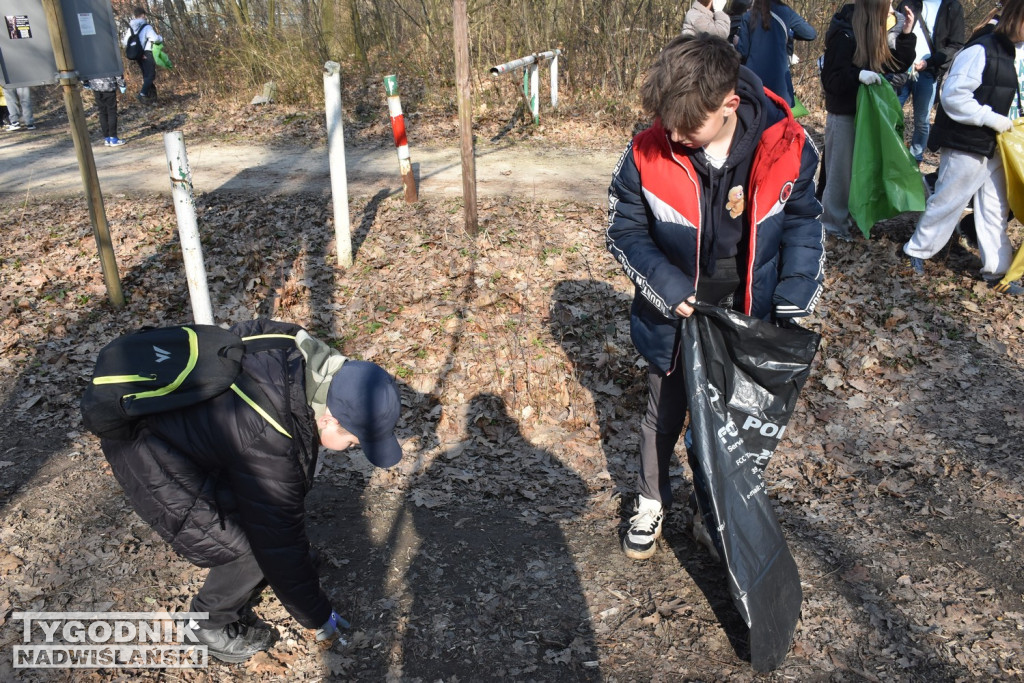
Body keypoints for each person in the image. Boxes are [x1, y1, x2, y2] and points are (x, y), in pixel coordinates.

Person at [606, 34, 825, 561]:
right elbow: (625, 231)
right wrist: (666, 285)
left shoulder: (788, 143)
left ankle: (715, 512)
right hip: (675, 313)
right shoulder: (646, 150)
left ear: (729, 103)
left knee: (727, 423)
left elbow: (803, 222)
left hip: (749, 311)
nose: (675, 135)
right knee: (665, 410)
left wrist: (796, 291)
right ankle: (652, 499)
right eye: (668, 124)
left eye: (687, 125)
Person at [92, 318, 404, 662]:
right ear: (329, 418)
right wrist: (316, 613)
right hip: (148, 451)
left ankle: (272, 573)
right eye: (352, 440)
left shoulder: (298, 353)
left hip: (189, 435)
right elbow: (275, 536)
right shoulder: (270, 434)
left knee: (265, 524)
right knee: (250, 545)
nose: (350, 447)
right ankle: (206, 622)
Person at [902, 0, 1024, 295]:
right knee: (949, 200)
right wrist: (992, 119)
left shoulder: (1019, 53)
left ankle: (997, 270)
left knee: (995, 207)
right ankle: (915, 252)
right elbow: (954, 97)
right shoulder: (981, 49)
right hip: (968, 141)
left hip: (1003, 146)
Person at [820, 0, 917, 240]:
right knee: (840, 175)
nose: (893, 9)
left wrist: (906, 35)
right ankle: (832, 226)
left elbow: (894, 63)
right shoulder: (845, 33)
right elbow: (832, 79)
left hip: (865, 115)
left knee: (861, 171)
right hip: (844, 114)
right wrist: (858, 76)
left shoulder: (870, 34)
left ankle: (850, 218)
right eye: (889, 4)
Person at [893, 0, 966, 164]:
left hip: (928, 71)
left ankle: (915, 160)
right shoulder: (909, 2)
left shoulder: (952, 6)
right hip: (902, 69)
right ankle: (893, 154)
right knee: (891, 113)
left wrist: (931, 62)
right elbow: (894, 32)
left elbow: (956, 45)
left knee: (922, 120)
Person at [736, 0, 817, 106]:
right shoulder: (785, 12)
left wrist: (737, 43)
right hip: (779, 86)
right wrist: (789, 32)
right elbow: (810, 34)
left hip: (754, 83)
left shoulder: (748, 16)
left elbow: (743, 52)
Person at [124, 7, 162, 104]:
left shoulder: (130, 28)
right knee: (151, 76)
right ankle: (142, 94)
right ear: (143, 15)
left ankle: (152, 99)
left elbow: (124, 42)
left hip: (138, 55)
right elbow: (155, 39)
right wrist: (160, 38)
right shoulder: (146, 27)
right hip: (147, 54)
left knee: (146, 76)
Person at [83, 76, 128, 146]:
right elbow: (117, 71)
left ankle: (107, 138)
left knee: (102, 112)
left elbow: (86, 71)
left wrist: (85, 82)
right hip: (109, 86)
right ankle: (113, 138)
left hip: (96, 87)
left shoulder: (90, 64)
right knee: (111, 112)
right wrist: (122, 84)